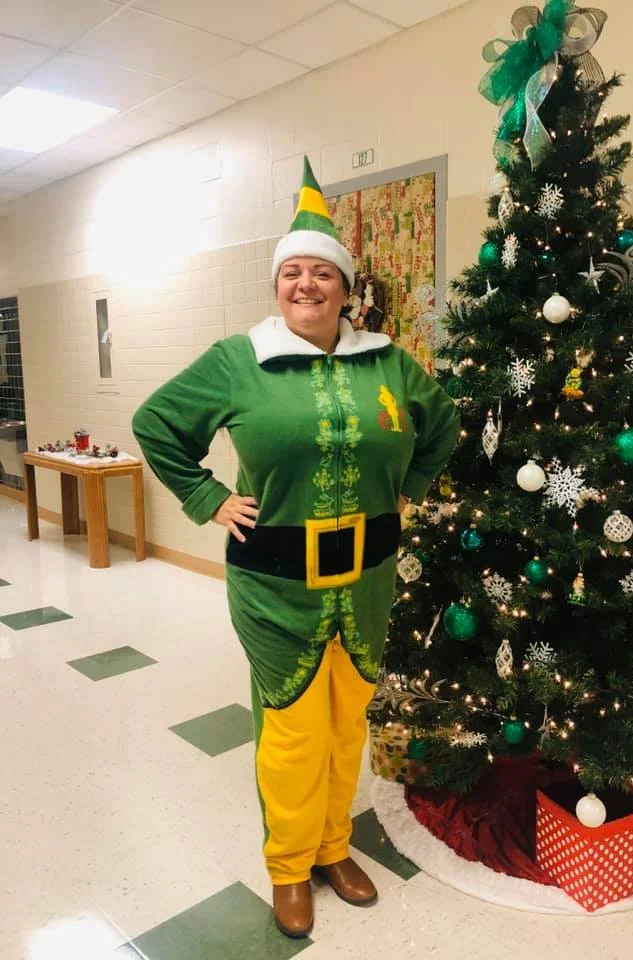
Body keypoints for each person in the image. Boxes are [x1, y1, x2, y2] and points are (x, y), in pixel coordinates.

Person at [132, 157, 459, 939]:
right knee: (292, 733)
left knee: (349, 725)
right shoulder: (236, 360)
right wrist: (208, 498)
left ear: (348, 289)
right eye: (292, 274)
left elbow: (440, 420)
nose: (306, 285)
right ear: (277, 286)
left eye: (323, 274)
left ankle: (333, 845)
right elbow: (156, 424)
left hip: (370, 580)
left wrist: (412, 481)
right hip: (277, 586)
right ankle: (288, 865)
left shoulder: (386, 360)